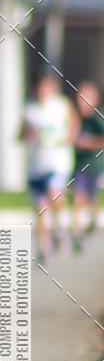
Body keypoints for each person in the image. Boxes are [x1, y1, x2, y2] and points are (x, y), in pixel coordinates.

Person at [20, 73, 77, 262]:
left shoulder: (61, 105)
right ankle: (44, 249)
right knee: (40, 208)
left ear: (52, 88)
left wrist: (69, 137)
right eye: (40, 88)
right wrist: (30, 133)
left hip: (57, 162)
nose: (43, 91)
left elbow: (74, 124)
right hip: (36, 165)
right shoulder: (30, 110)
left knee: (55, 193)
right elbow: (20, 135)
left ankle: (60, 230)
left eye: (47, 87)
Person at [71, 80, 104, 246]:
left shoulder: (97, 117)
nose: (81, 100)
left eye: (86, 97)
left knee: (91, 197)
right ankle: (77, 232)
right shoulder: (76, 117)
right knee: (78, 195)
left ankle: (93, 217)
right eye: (80, 97)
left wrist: (87, 143)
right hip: (79, 164)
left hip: (95, 164)